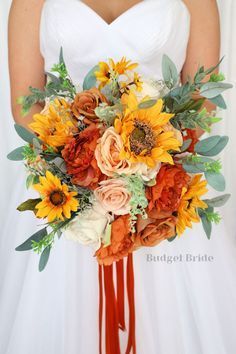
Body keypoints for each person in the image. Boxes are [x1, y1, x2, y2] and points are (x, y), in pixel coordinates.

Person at [3, 1, 235, 353]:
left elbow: (200, 101)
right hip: (65, 187)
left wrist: (144, 174)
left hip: (159, 187)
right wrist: (81, 173)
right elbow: (25, 105)